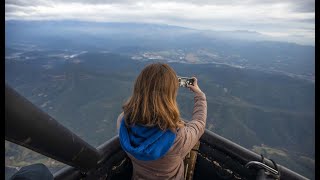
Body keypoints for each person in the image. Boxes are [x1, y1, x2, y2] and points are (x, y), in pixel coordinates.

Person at [117, 63, 207, 180]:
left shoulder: (123, 123)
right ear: (170, 94)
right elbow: (199, 124)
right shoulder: (178, 137)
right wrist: (200, 95)